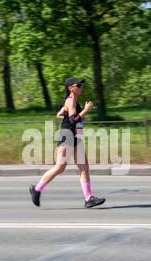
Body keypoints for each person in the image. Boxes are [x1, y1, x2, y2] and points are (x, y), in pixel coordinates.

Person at [29, 77, 106, 208]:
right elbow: (72, 121)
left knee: (84, 167)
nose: (81, 87)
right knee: (60, 167)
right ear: (71, 88)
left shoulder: (74, 101)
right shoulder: (70, 101)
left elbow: (61, 115)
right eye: (79, 85)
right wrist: (85, 111)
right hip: (67, 136)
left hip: (76, 137)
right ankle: (36, 189)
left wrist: (65, 114)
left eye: (81, 85)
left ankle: (88, 198)